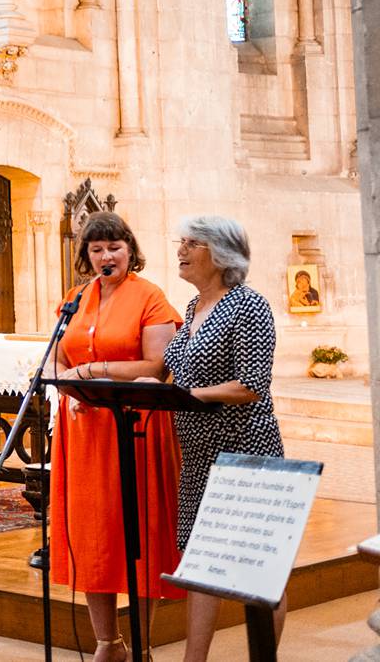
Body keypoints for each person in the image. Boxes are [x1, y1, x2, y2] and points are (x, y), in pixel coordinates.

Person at [47, 212, 184, 662]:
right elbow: (54, 358)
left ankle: (141, 643)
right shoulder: (75, 297)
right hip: (84, 429)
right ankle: (108, 642)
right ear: (86, 256)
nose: (107, 256)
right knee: (91, 536)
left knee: (136, 533)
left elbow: (156, 366)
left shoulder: (150, 297)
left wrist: (93, 372)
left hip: (134, 427)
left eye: (115, 247)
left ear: (131, 250)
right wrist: (67, 384)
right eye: (97, 249)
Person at [168, 216, 286, 662]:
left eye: (192, 242)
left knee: (257, 568)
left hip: (245, 452)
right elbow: (174, 367)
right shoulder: (191, 308)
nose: (181, 249)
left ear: (220, 254)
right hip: (198, 455)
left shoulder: (247, 306)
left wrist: (188, 394)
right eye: (181, 241)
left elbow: (252, 384)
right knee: (201, 564)